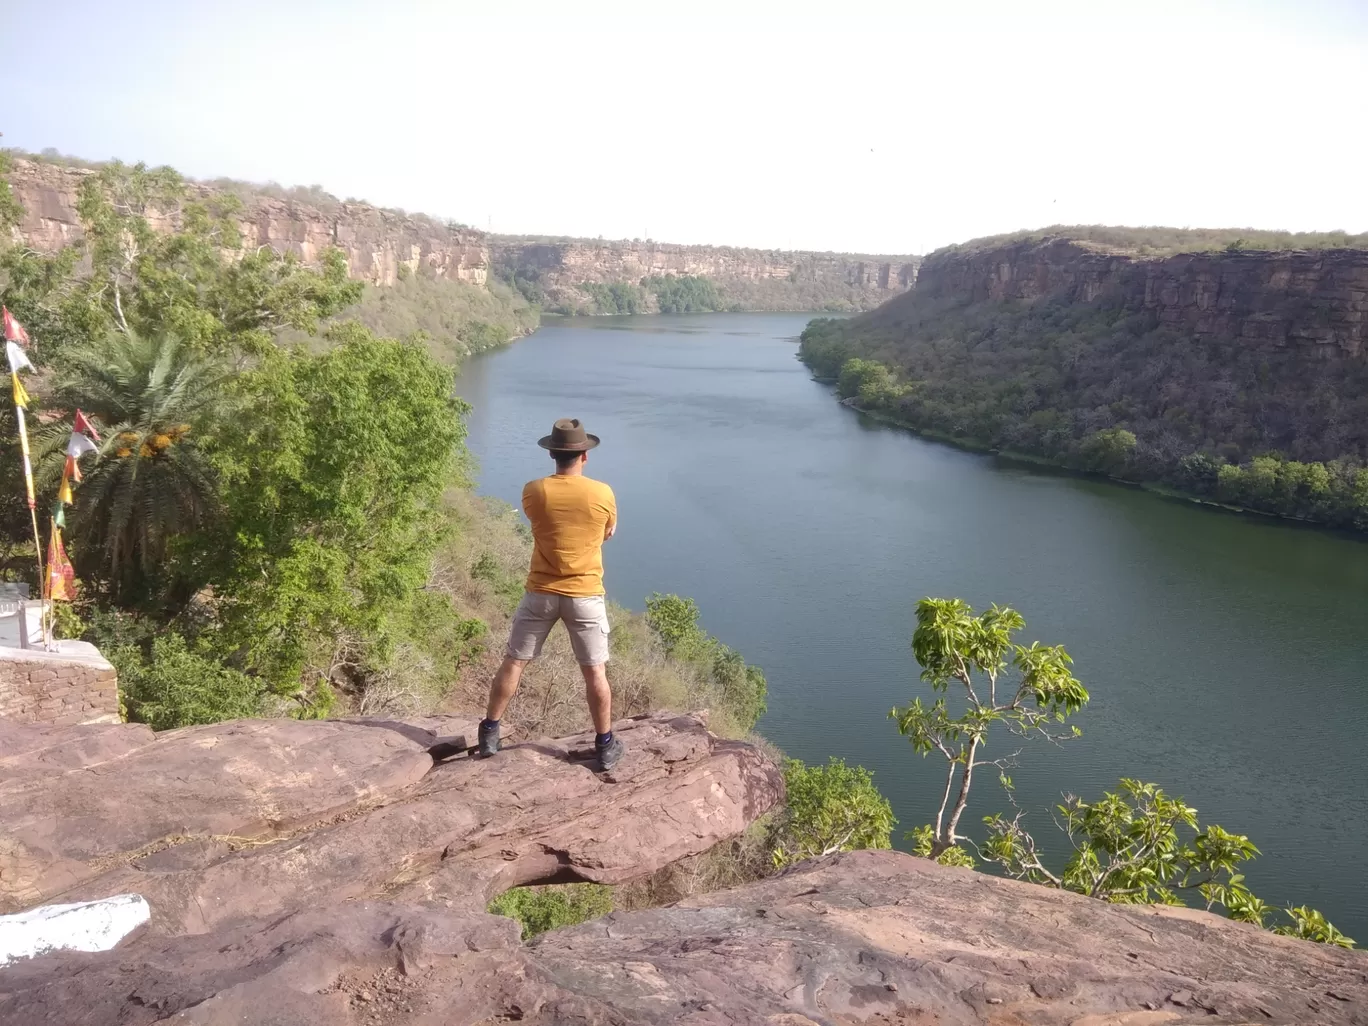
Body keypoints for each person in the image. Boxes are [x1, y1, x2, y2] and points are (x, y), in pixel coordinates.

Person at [478, 418, 625, 771]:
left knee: (515, 661)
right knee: (595, 673)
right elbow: (608, 532)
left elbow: (537, 521)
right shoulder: (602, 493)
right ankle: (605, 746)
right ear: (584, 455)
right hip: (585, 594)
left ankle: (489, 733)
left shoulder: (534, 490)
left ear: (552, 454)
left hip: (540, 591)